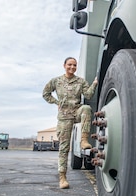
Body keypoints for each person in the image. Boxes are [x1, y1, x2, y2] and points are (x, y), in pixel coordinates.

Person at [42, 57, 98, 189]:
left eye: (74, 65)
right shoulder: (56, 81)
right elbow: (45, 94)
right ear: (64, 65)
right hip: (64, 117)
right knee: (64, 148)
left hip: (76, 112)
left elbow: (88, 95)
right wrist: (56, 103)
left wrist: (94, 83)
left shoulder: (80, 81)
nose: (72, 67)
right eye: (69, 65)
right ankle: (62, 178)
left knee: (86, 108)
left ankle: (84, 140)